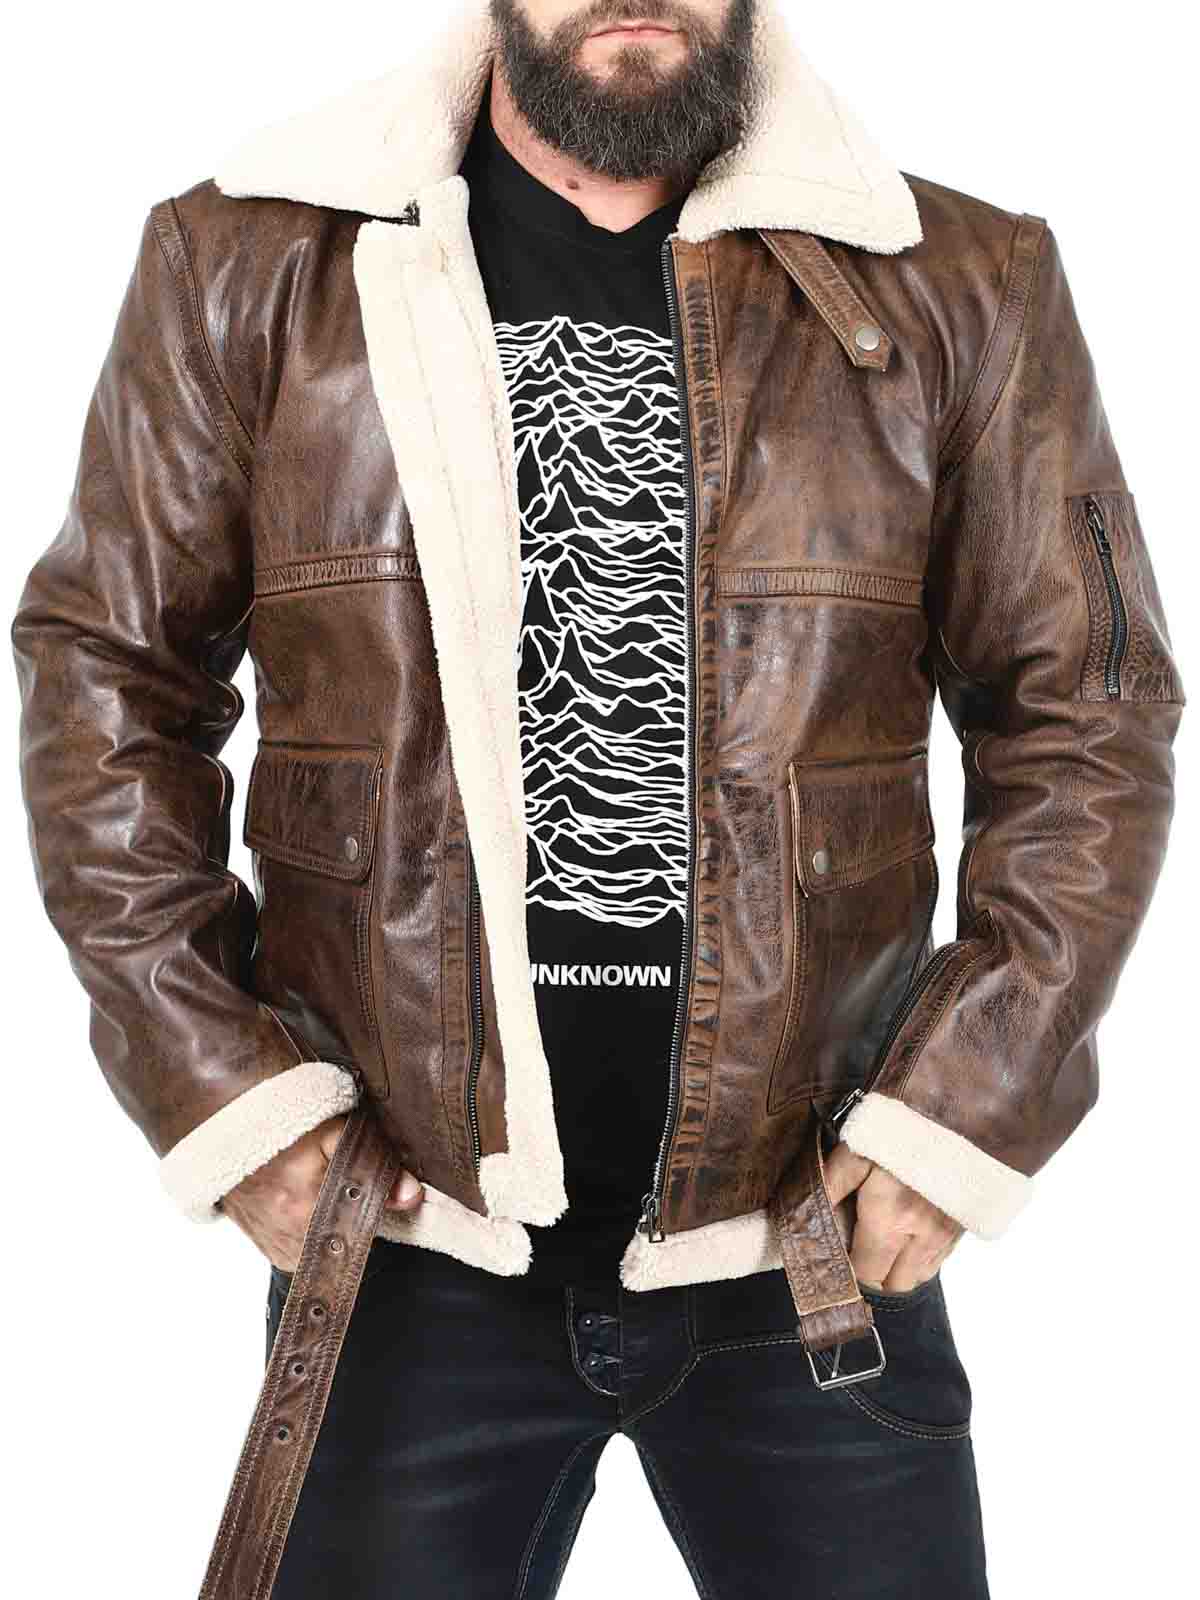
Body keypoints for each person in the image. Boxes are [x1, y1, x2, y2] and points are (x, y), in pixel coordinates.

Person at [11, 2, 1186, 1595]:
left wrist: (969, 1106)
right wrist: (224, 1094)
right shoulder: (247, 261)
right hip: (406, 1231)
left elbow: (1088, 711)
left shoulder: (963, 279)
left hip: (814, 1233)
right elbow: (109, 674)